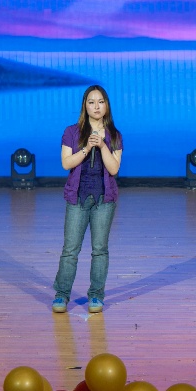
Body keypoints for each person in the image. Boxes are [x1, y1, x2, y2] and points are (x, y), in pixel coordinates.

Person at [52, 84, 122, 314]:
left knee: (99, 249)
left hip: (104, 199)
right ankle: (62, 294)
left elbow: (114, 169)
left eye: (100, 102)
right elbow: (66, 163)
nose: (96, 106)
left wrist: (102, 145)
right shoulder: (72, 132)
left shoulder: (114, 135)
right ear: (85, 106)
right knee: (70, 249)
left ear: (107, 105)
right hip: (77, 198)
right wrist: (86, 148)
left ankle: (96, 296)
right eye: (91, 102)